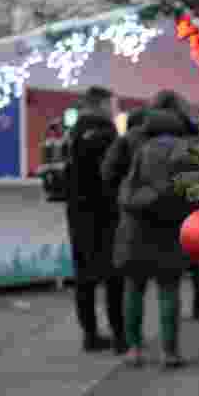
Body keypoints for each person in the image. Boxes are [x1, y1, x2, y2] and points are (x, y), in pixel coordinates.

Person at [112, 97, 199, 369]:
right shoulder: (189, 152)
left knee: (134, 289)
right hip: (172, 230)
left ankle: (135, 349)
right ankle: (170, 352)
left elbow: (124, 188)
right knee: (169, 290)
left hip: (137, 228)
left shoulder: (140, 149)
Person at [65, 85, 125, 354]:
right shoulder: (108, 133)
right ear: (101, 104)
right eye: (113, 105)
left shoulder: (72, 132)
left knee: (84, 277)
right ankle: (120, 336)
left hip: (78, 213)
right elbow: (115, 172)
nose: (115, 110)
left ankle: (90, 335)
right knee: (114, 278)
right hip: (106, 213)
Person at [148, 91, 199, 321]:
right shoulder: (190, 130)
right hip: (191, 198)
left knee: (169, 266)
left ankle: (170, 314)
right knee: (197, 258)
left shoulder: (149, 129)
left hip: (161, 201)